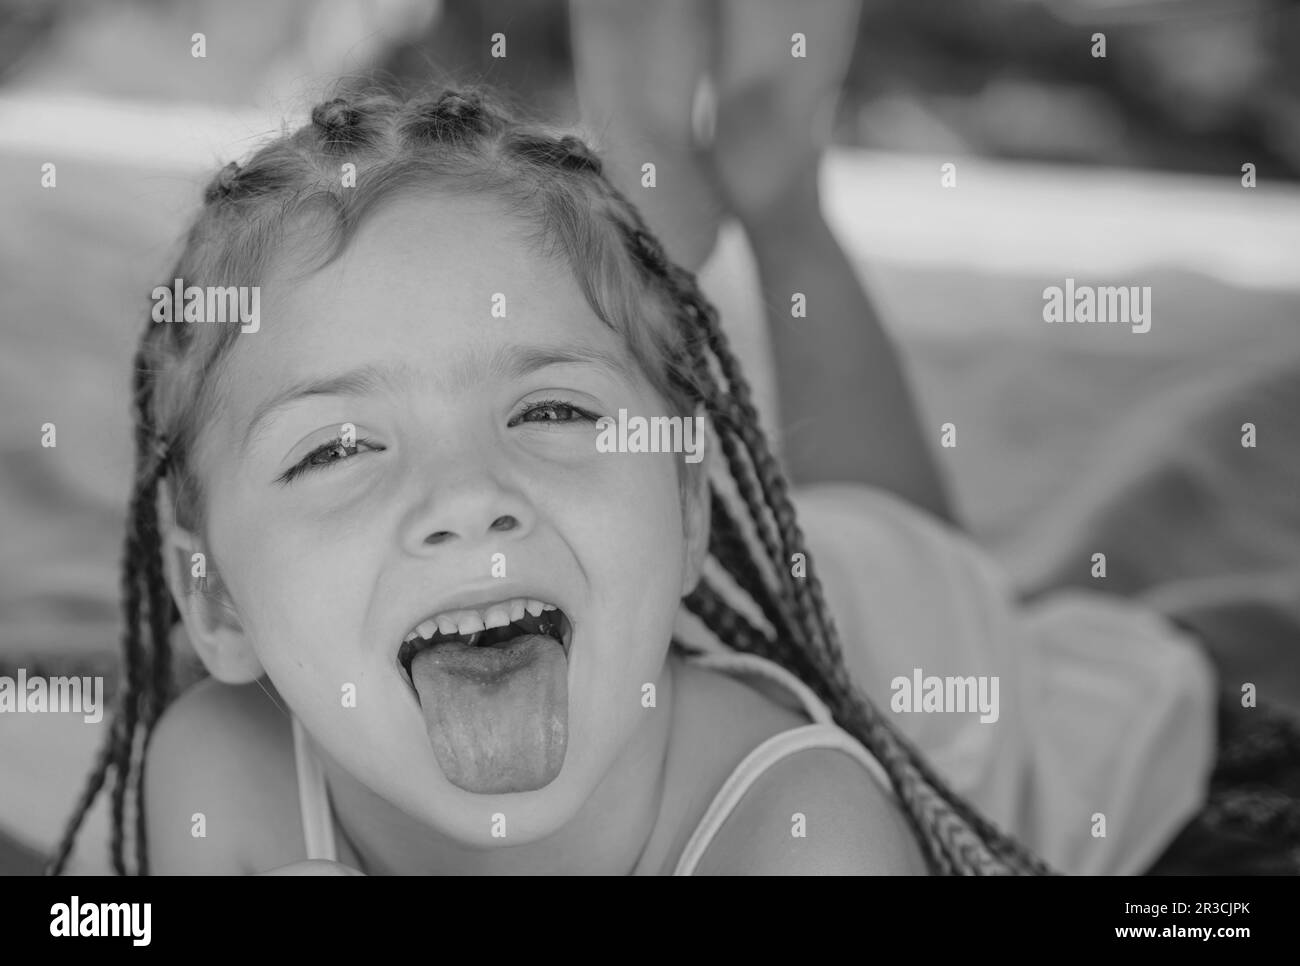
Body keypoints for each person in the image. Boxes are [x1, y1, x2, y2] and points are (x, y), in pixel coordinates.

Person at [47, 87, 1050, 875]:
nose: (466, 497)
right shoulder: (214, 779)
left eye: (550, 412)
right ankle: (769, 187)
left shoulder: (813, 839)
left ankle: (784, 202)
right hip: (679, 576)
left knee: (901, 547)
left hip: (933, 658)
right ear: (215, 602)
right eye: (338, 448)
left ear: (692, 503)